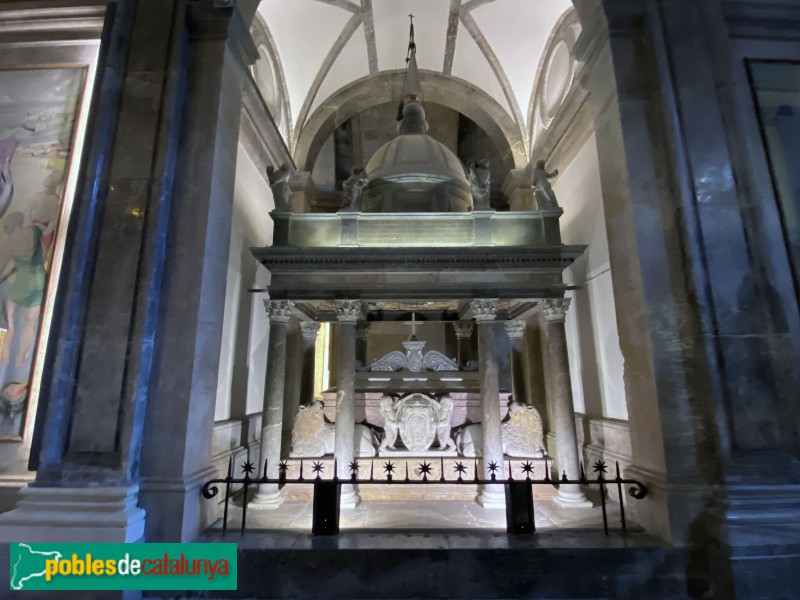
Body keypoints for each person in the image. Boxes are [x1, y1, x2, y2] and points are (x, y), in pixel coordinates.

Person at [0, 212, 46, 367]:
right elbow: (44, 255)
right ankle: (20, 356)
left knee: (9, 316)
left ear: (11, 225)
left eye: (6, 227)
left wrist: (7, 273)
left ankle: (6, 351)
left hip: (25, 281)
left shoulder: (11, 241)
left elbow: (4, 266)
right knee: (31, 322)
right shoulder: (35, 230)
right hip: (40, 278)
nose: (5, 230)